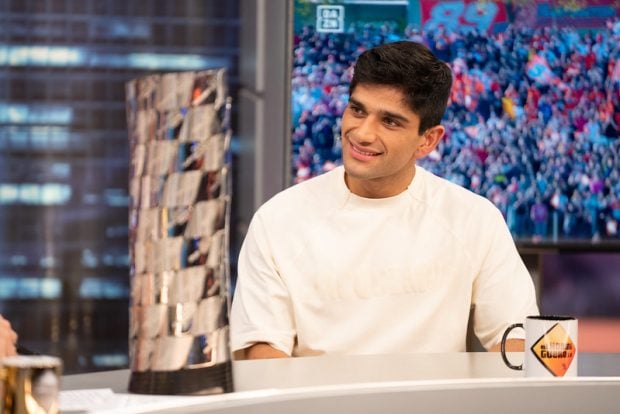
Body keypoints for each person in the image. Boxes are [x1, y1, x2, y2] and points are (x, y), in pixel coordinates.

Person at [230, 41, 538, 359]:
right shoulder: (279, 219)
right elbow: (262, 347)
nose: (362, 133)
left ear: (428, 140)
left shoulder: (473, 218)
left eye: (389, 121)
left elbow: (516, 336)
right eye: (357, 110)